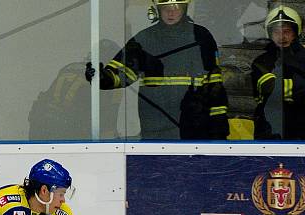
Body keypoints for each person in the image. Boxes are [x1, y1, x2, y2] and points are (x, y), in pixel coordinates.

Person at [85, 0, 229, 140]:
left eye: (176, 7)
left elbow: (215, 84)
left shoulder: (201, 37)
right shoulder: (144, 39)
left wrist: (218, 127)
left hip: (195, 127)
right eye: (166, 8)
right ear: (158, 10)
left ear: (184, 9)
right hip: (154, 128)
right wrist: (102, 77)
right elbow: (122, 74)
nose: (170, 12)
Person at [28, 40, 123, 140]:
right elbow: (107, 121)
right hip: (67, 130)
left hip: (39, 124)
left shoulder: (69, 68)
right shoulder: (107, 82)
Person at [252, 5, 305, 139]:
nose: (282, 36)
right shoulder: (262, 61)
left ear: (295, 33)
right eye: (276, 32)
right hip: (270, 129)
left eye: (286, 31)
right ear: (269, 34)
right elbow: (270, 88)